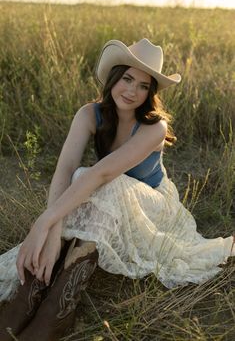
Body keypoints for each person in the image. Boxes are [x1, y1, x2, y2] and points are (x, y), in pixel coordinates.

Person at [0, 38, 234, 340]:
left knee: (96, 180)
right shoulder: (90, 114)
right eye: (127, 79)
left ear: (151, 93)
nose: (132, 91)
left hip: (152, 207)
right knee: (81, 185)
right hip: (111, 191)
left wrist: (43, 222)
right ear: (114, 77)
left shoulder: (155, 127)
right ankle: (30, 295)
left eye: (143, 86)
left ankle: (58, 308)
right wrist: (53, 226)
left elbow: (103, 173)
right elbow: (65, 169)